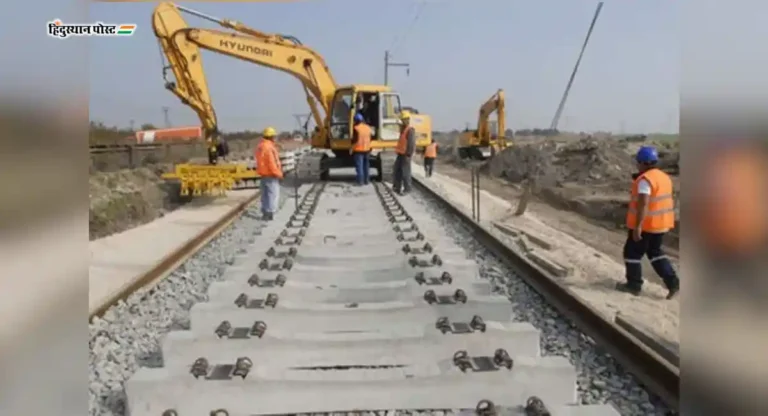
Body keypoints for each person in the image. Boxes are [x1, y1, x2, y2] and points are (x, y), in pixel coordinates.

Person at [616, 145, 679, 299]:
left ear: (643, 162)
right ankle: (673, 282)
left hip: (646, 225)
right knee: (655, 253)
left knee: (632, 253)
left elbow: (643, 203)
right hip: (661, 224)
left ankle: (634, 285)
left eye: (638, 162)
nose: (637, 164)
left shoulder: (645, 180)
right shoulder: (663, 177)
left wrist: (638, 227)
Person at [255, 127, 283, 221]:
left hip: (263, 174)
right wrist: (278, 174)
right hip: (271, 174)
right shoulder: (269, 147)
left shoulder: (260, 146)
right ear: (271, 137)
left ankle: (265, 212)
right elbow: (271, 163)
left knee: (265, 195)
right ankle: (270, 213)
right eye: (274, 136)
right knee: (273, 194)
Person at [392, 110, 415, 195]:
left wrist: (408, 154)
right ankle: (397, 187)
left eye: (403, 120)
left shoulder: (410, 130)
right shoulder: (403, 129)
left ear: (407, 120)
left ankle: (407, 189)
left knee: (405, 172)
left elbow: (411, 143)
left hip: (406, 154)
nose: (402, 121)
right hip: (400, 153)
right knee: (397, 170)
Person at [350, 113, 372, 185]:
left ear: (355, 120)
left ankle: (360, 181)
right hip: (367, 149)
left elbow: (354, 140)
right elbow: (370, 138)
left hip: (359, 150)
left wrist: (351, 148)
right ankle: (366, 180)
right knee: (366, 166)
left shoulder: (356, 128)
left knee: (359, 166)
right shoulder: (368, 127)